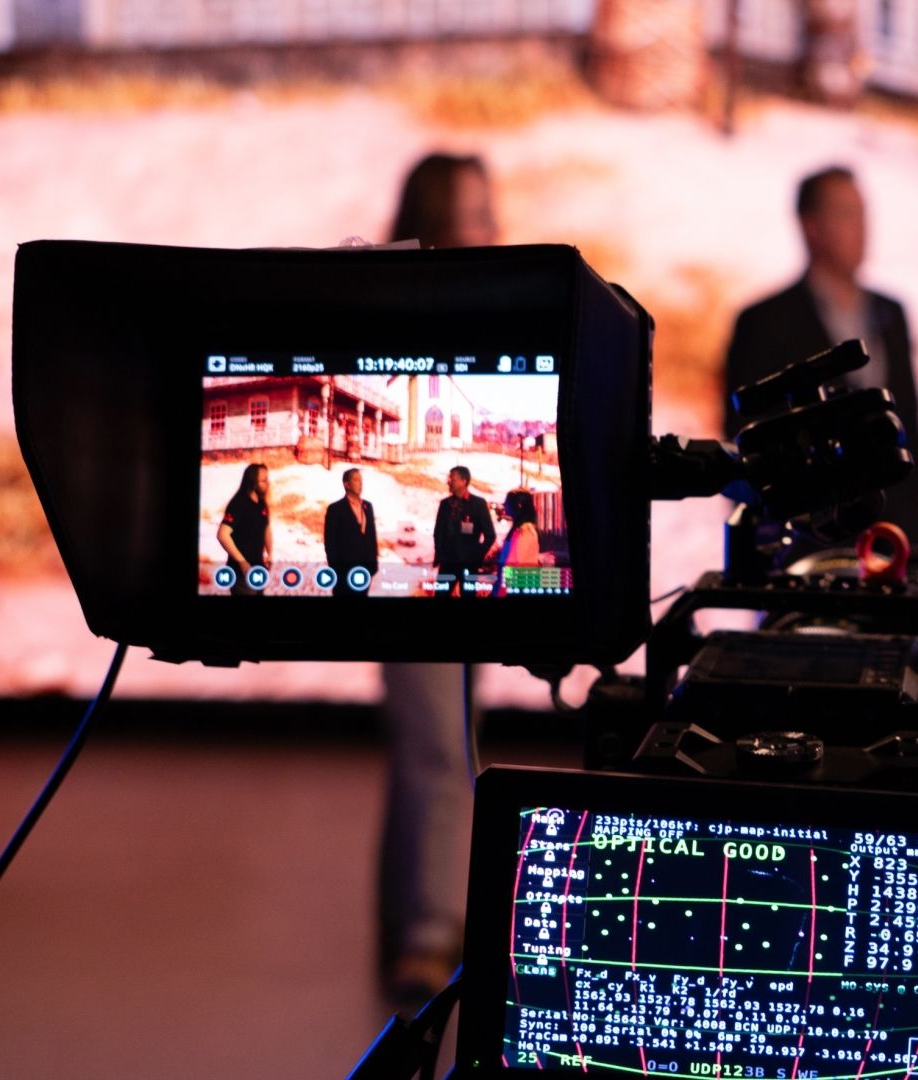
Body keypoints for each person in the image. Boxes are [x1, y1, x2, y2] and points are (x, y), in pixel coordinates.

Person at [379, 151, 499, 1009]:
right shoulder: (389, 316)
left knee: (435, 749)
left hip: (460, 573)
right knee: (438, 751)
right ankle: (428, 938)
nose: (492, 232)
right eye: (477, 215)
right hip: (402, 572)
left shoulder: (481, 315)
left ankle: (412, 922)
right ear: (434, 224)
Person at [723, 165, 918, 546]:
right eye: (846, 214)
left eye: (864, 213)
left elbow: (911, 426)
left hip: (890, 545)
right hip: (803, 554)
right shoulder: (763, 321)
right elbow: (747, 440)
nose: (864, 228)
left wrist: (913, 535)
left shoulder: (891, 313)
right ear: (811, 226)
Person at [432, 465, 496, 599]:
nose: (449, 482)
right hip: (447, 564)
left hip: (468, 564)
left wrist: (478, 554)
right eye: (449, 479)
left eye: (453, 479)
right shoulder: (445, 504)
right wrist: (439, 553)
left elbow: (490, 535)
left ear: (464, 481)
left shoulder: (477, 504)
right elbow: (438, 532)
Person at [216, 463, 272, 595]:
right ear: (253, 482)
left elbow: (266, 528)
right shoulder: (239, 503)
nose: (268, 483)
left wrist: (270, 553)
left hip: (258, 569)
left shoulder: (261, 503)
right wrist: (242, 562)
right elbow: (222, 534)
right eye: (263, 480)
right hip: (241, 573)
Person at [323, 467, 379, 596]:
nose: (361, 483)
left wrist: (373, 564)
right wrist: (336, 569)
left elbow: (371, 536)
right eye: (356, 480)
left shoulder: (367, 506)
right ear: (346, 484)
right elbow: (330, 542)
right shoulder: (335, 509)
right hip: (343, 573)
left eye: (361, 480)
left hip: (364, 570)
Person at [489, 489, 542, 597]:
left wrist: (502, 590)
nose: (504, 505)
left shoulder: (525, 532)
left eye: (508, 502)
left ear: (518, 506)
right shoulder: (520, 530)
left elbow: (514, 564)